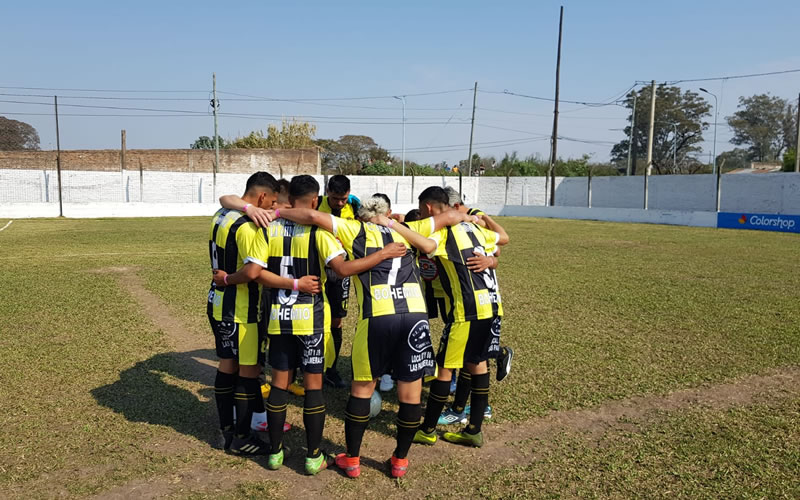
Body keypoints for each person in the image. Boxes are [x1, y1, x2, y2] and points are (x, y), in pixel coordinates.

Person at [271, 196, 477, 478]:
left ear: (360, 215)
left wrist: (277, 211)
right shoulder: (409, 227)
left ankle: (352, 460)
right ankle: (400, 461)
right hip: (415, 314)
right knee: (410, 393)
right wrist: (470, 217)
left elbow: (313, 217)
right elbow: (450, 217)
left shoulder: (353, 229)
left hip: (378, 315)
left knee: (362, 390)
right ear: (388, 213)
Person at [215, 176, 405, 474]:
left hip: (278, 317)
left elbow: (257, 273)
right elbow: (341, 270)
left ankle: (275, 453)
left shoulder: (268, 228)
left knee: (279, 383)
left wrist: (289, 284)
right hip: (312, 320)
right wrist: (382, 254)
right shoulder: (319, 231)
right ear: (316, 201)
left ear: (289, 198)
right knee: (313, 386)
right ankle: (313, 455)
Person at [208, 171, 315, 456]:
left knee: (226, 365)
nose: (270, 210)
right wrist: (295, 283)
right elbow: (253, 272)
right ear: (263, 197)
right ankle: (241, 437)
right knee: (248, 371)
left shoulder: (222, 214)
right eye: (270, 204)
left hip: (218, 303)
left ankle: (227, 429)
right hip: (241, 310)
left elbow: (225, 198)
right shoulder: (247, 227)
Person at [402, 186, 509, 449]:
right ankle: (473, 430)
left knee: (445, 369)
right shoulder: (473, 228)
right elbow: (502, 239)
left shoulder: (442, 232)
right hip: (491, 307)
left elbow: (422, 241)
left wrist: (391, 224)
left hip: (466, 311)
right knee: (478, 364)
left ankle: (427, 429)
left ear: (427, 207)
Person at [437, 187, 514, 426]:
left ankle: (460, 408)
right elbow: (496, 249)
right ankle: (475, 405)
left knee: (468, 359)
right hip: (463, 296)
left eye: (444, 211)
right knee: (474, 358)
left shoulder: (470, 224)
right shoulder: (457, 226)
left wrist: (490, 258)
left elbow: (499, 245)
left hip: (475, 301)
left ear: (454, 208)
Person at [317, 175, 360, 389]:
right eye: (335, 199)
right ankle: (305, 367)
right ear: (327, 192)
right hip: (318, 270)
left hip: (341, 273)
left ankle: (331, 370)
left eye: (343, 198)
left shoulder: (355, 207)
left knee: (336, 320)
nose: (340, 203)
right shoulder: (316, 205)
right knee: (313, 319)